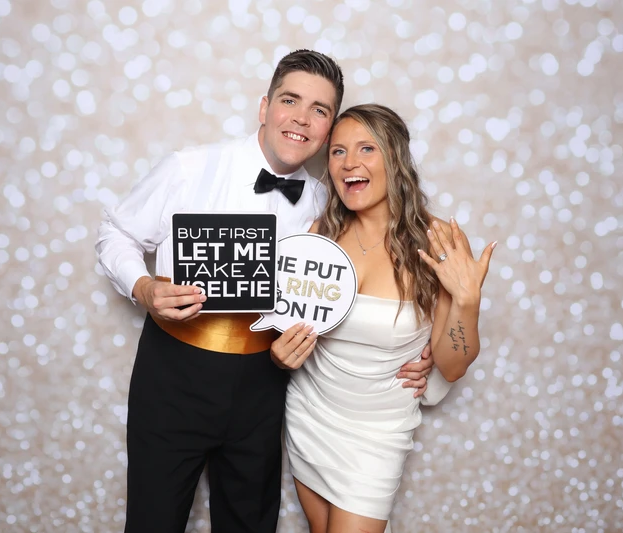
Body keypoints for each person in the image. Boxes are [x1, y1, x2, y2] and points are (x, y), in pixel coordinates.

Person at [95, 51, 434, 533]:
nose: (301, 118)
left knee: (251, 524)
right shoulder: (189, 167)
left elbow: (370, 280)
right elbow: (115, 234)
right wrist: (143, 287)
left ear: (329, 128)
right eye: (290, 100)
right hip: (174, 373)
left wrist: (419, 353)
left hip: (266, 381)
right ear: (263, 107)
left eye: (319, 109)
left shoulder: (328, 202)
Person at [270, 104, 497, 532]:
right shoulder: (319, 236)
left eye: (366, 149)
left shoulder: (439, 242)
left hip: (377, 432)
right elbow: (287, 324)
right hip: (310, 416)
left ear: (396, 158)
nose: (349, 163)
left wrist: (467, 299)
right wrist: (280, 354)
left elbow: (452, 364)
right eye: (337, 152)